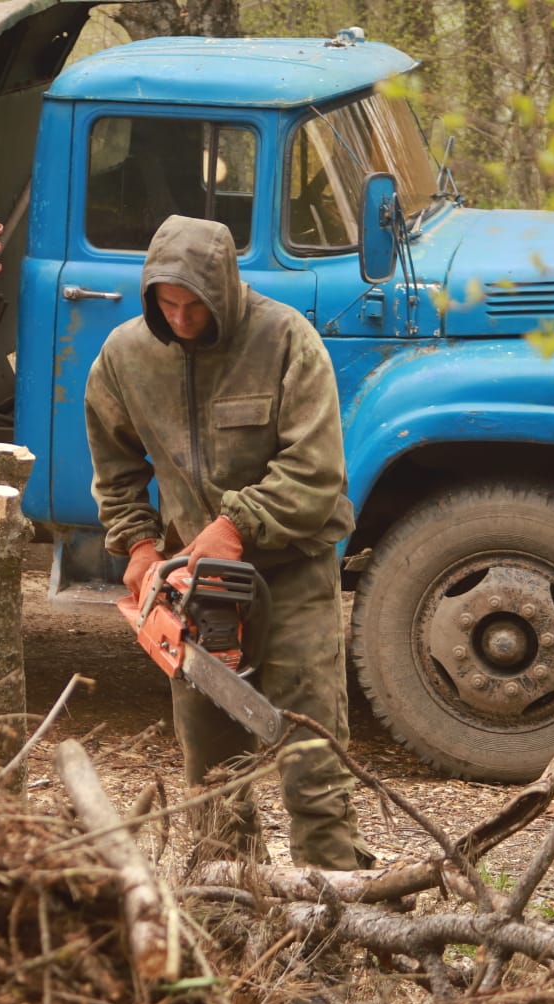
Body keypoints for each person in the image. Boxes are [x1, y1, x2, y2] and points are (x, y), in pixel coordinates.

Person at [83, 214, 368, 871]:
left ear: (227, 291)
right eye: (167, 304)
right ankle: (230, 917)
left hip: (291, 571)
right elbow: (116, 464)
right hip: (194, 588)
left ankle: (333, 926)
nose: (181, 319)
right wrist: (139, 545)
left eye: (195, 305)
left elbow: (317, 473)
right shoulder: (125, 357)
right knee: (211, 772)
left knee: (312, 759)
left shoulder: (287, 341)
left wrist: (237, 524)